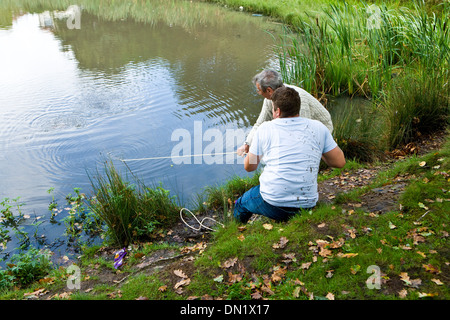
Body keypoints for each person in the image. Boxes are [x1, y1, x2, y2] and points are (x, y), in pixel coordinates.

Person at [233, 86, 345, 223]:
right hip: (307, 204)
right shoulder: (319, 127)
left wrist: (252, 152)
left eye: (273, 109)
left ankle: (237, 230)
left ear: (277, 111)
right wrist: (319, 150)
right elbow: (340, 162)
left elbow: (249, 167)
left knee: (240, 204)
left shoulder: (265, 129)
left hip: (273, 203)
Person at [237, 69, 333, 156]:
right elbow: (259, 124)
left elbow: (303, 131)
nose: (258, 93)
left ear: (269, 90)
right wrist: (248, 143)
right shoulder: (269, 99)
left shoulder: (297, 98)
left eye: (259, 90)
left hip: (320, 130)